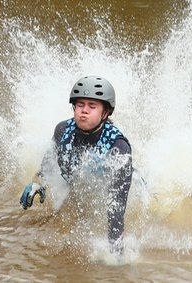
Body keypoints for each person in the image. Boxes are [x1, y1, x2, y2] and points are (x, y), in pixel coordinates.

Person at [20, 76, 132, 254]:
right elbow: (47, 166)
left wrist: (116, 249)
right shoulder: (62, 130)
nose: (84, 111)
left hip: (112, 191)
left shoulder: (119, 148)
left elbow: (116, 206)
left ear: (105, 113)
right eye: (80, 105)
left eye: (92, 106)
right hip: (78, 186)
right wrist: (38, 182)